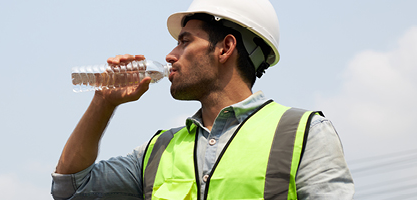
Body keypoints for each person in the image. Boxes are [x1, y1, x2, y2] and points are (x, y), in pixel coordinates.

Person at [52, 0, 354, 199]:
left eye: (185, 41)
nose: (170, 56)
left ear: (225, 48)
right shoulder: (157, 152)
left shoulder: (303, 133)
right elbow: (69, 188)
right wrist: (103, 103)